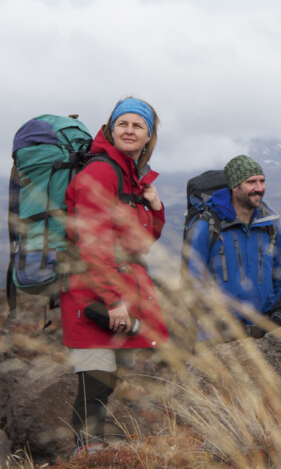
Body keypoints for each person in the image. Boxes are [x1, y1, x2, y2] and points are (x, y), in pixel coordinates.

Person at [61, 97, 169, 453]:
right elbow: (92, 243)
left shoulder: (130, 176)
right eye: (123, 123)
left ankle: (91, 453)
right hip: (92, 294)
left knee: (105, 383)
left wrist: (155, 208)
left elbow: (141, 243)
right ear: (111, 129)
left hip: (116, 293)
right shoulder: (100, 173)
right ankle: (87, 454)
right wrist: (113, 300)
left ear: (148, 136)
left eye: (138, 125)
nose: (129, 130)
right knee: (95, 385)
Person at [183, 155, 281, 341]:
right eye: (251, 182)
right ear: (234, 187)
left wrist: (278, 315)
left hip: (262, 333)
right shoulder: (208, 226)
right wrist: (223, 321)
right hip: (217, 336)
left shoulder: (270, 225)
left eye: (262, 181)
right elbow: (193, 281)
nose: (259, 188)